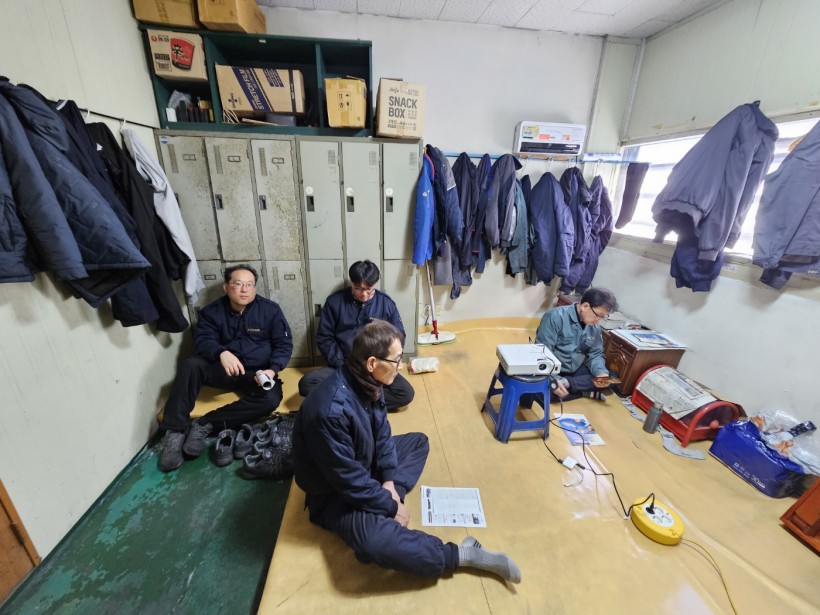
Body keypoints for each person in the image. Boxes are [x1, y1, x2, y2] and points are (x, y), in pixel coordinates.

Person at [292, 320, 521, 583]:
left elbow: (382, 434)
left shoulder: (368, 382)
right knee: (372, 544)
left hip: (362, 466)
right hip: (334, 494)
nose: (400, 366)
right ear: (372, 363)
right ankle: (461, 554)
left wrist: (389, 483)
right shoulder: (330, 412)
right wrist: (390, 506)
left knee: (418, 443)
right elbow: (348, 482)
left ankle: (383, 505)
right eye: (396, 360)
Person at [158, 264, 293, 472]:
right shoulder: (211, 312)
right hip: (223, 370)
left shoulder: (270, 311)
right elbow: (203, 340)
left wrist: (272, 370)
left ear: (255, 288)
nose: (244, 289)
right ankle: (175, 431)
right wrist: (221, 353)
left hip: (256, 374)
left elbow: (283, 345)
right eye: (238, 284)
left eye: (249, 285)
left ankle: (205, 424)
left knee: (270, 399)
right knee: (191, 365)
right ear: (226, 287)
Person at [298, 259, 414, 411]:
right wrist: (341, 363)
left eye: (369, 289)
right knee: (306, 384)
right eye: (358, 289)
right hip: (344, 365)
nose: (364, 295)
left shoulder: (386, 304)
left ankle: (348, 401)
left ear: (375, 284)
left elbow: (399, 337)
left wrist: (384, 363)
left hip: (376, 367)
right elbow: (324, 338)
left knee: (405, 393)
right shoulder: (335, 302)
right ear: (352, 283)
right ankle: (363, 400)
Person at [535, 287, 617, 400]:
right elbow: (542, 353)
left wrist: (601, 373)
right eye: (598, 315)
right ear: (585, 306)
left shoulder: (595, 328)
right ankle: (582, 391)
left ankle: (569, 384)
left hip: (574, 370)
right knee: (542, 394)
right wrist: (553, 380)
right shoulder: (555, 316)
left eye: (603, 317)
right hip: (554, 369)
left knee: (610, 379)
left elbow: (596, 354)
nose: (598, 320)